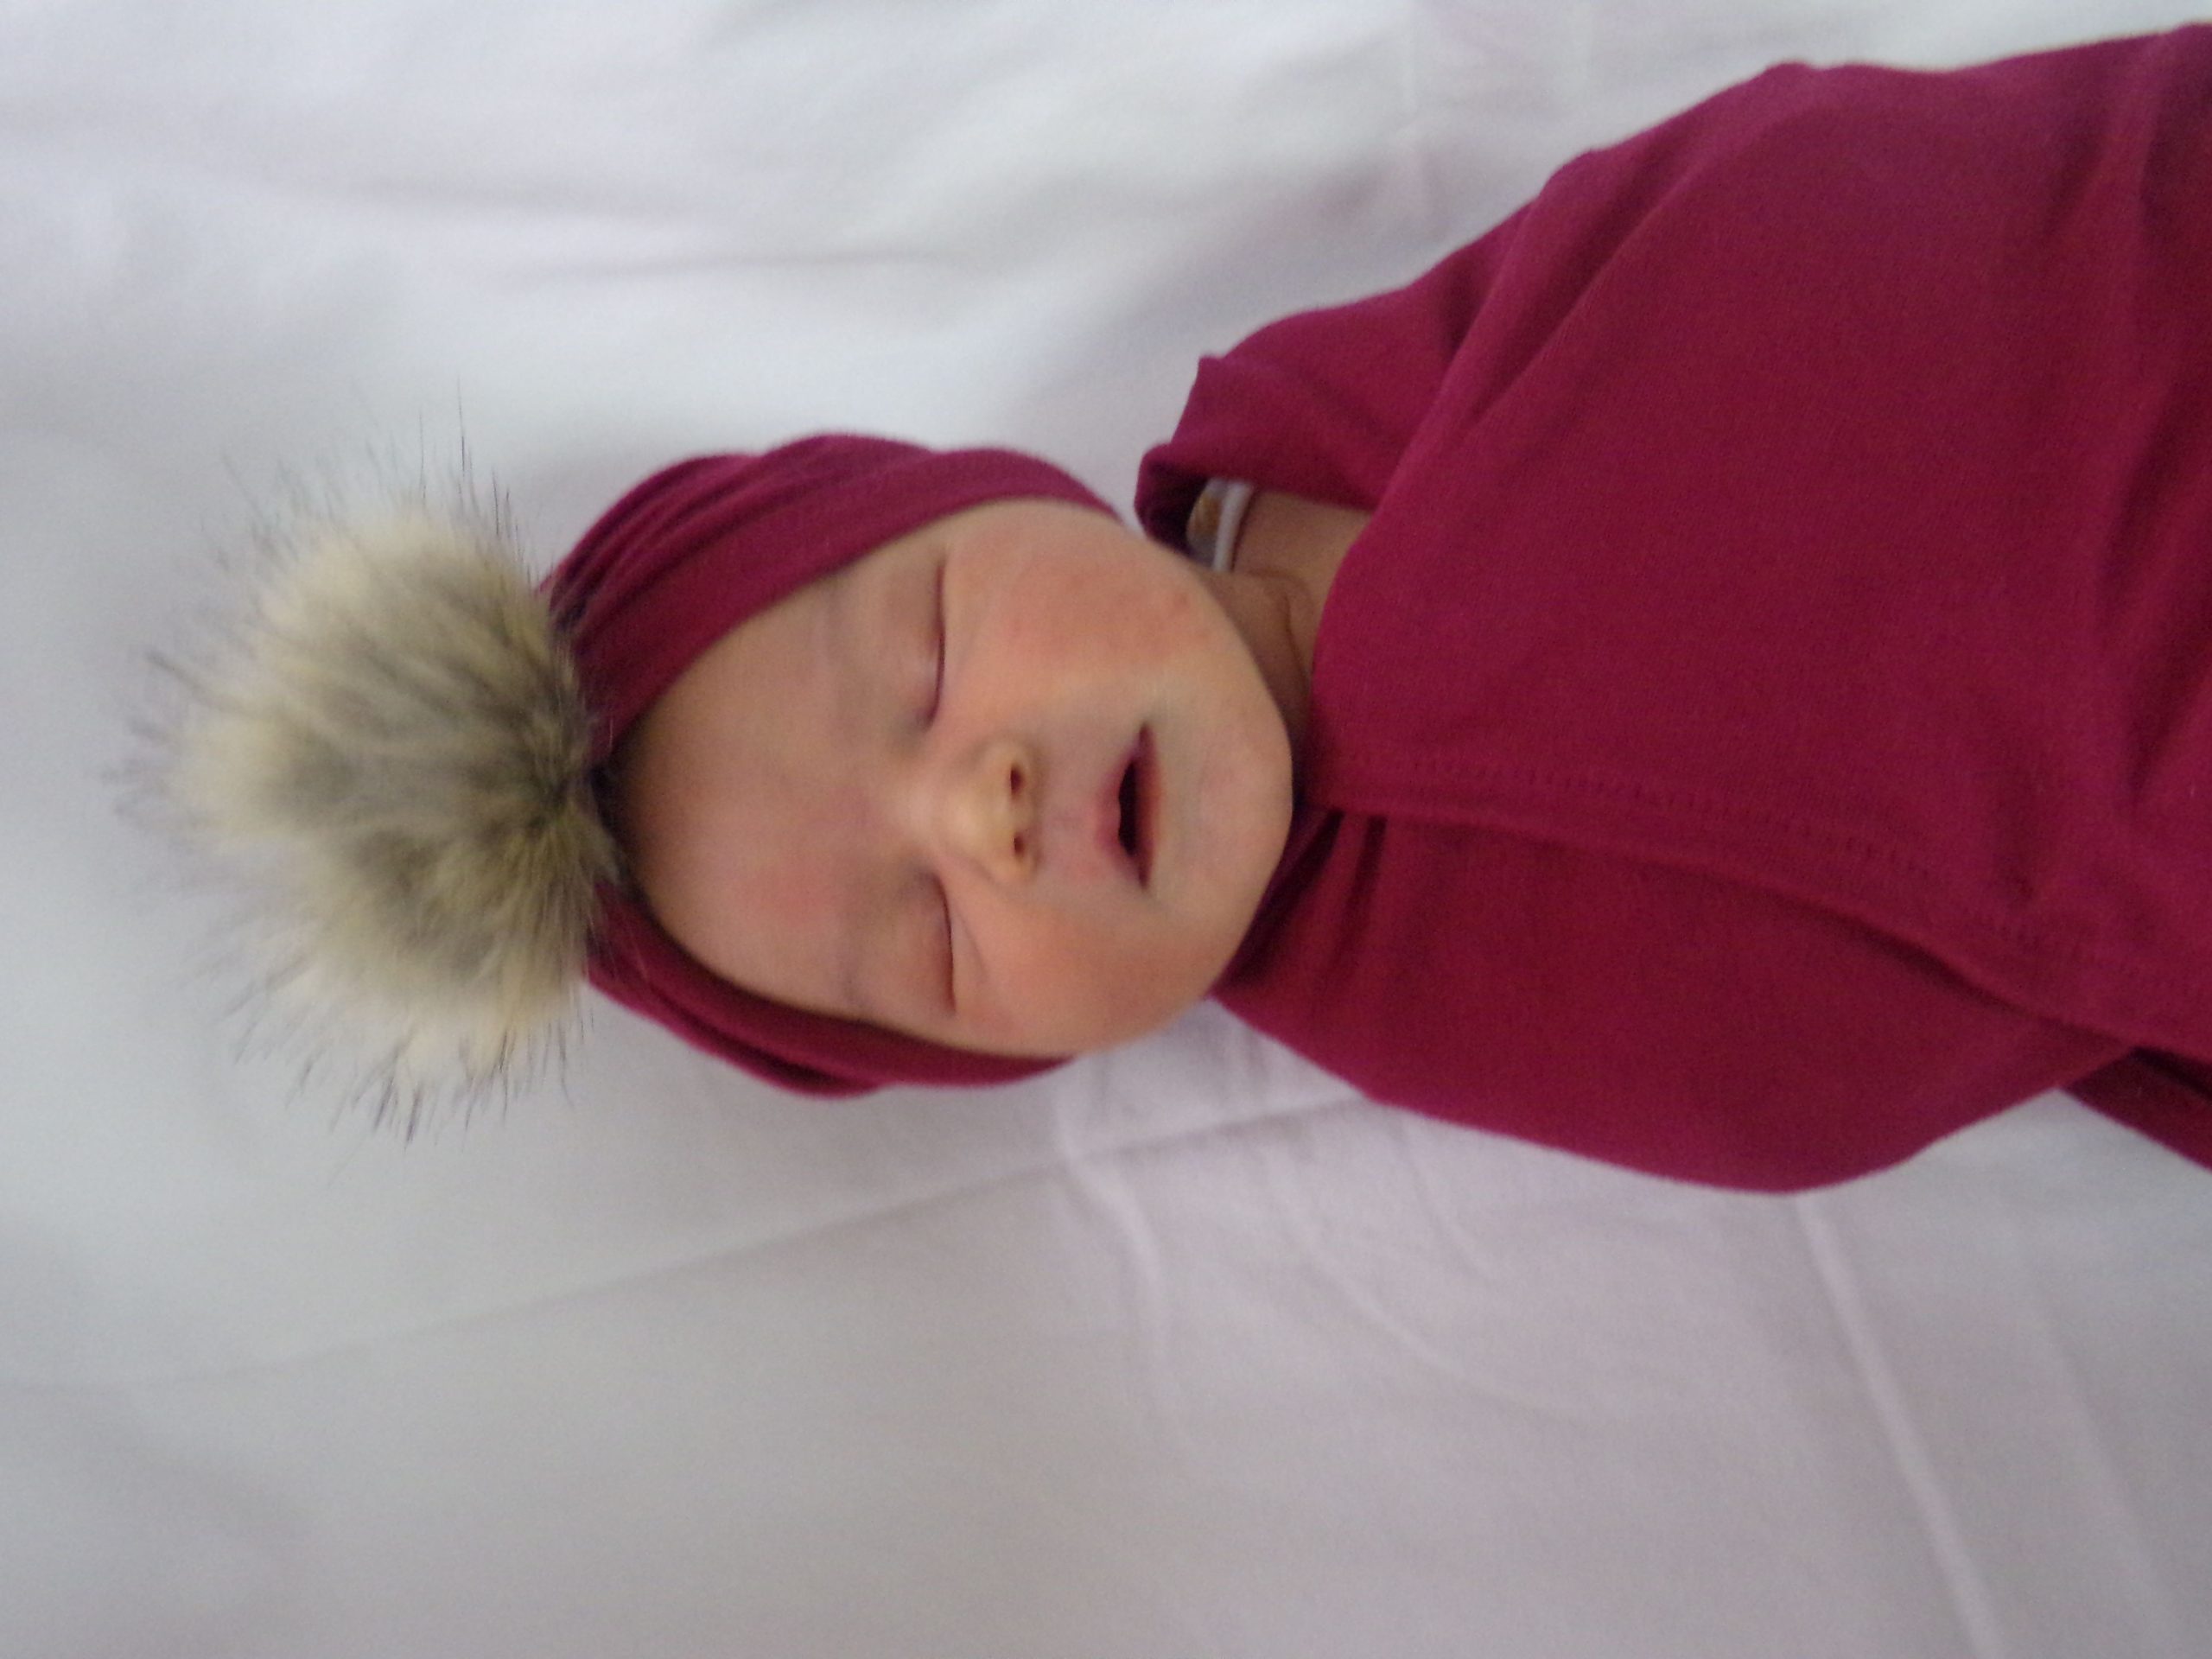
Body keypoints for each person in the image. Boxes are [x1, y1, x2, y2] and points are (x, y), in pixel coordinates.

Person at [167, 25, 2212, 1189]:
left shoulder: (1511, 353)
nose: (974, 811)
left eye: (928, 663)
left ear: (995, 496)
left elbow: (1930, 213)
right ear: (987, 1061)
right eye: (925, 939)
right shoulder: (1440, 997)